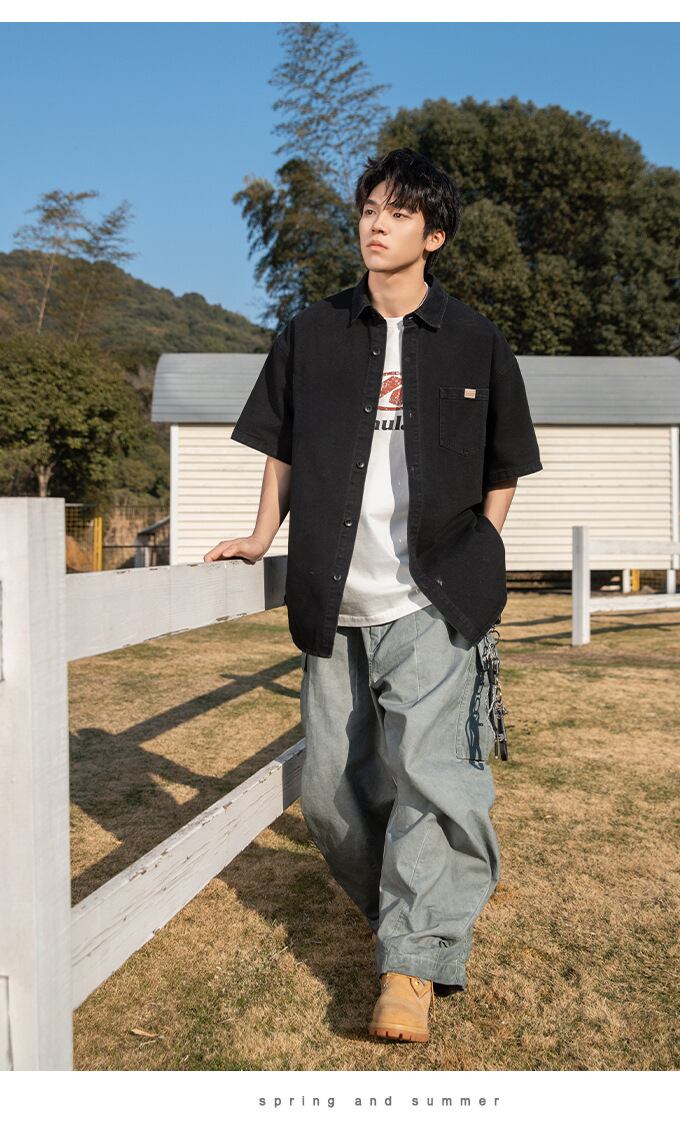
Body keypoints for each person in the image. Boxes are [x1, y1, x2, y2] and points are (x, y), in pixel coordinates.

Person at [204, 147, 542, 1043]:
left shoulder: (475, 339)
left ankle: (411, 964)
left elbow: (505, 463)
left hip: (434, 596)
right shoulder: (311, 332)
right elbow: (281, 448)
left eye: (397, 212)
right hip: (334, 596)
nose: (376, 224)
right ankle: (407, 917)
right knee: (328, 791)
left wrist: (482, 546)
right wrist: (262, 534)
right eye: (368, 209)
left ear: (434, 236)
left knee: (433, 778)